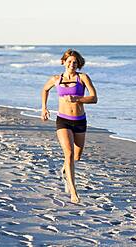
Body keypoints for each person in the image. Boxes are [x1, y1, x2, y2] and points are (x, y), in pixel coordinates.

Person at [41, 49, 97, 203]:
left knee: (76, 157)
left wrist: (78, 99)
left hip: (80, 120)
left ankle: (65, 169)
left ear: (78, 64)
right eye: (69, 61)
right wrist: (44, 108)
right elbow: (45, 89)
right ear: (63, 62)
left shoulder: (83, 78)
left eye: (75, 62)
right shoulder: (56, 79)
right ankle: (73, 192)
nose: (72, 64)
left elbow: (94, 98)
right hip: (63, 120)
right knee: (69, 154)